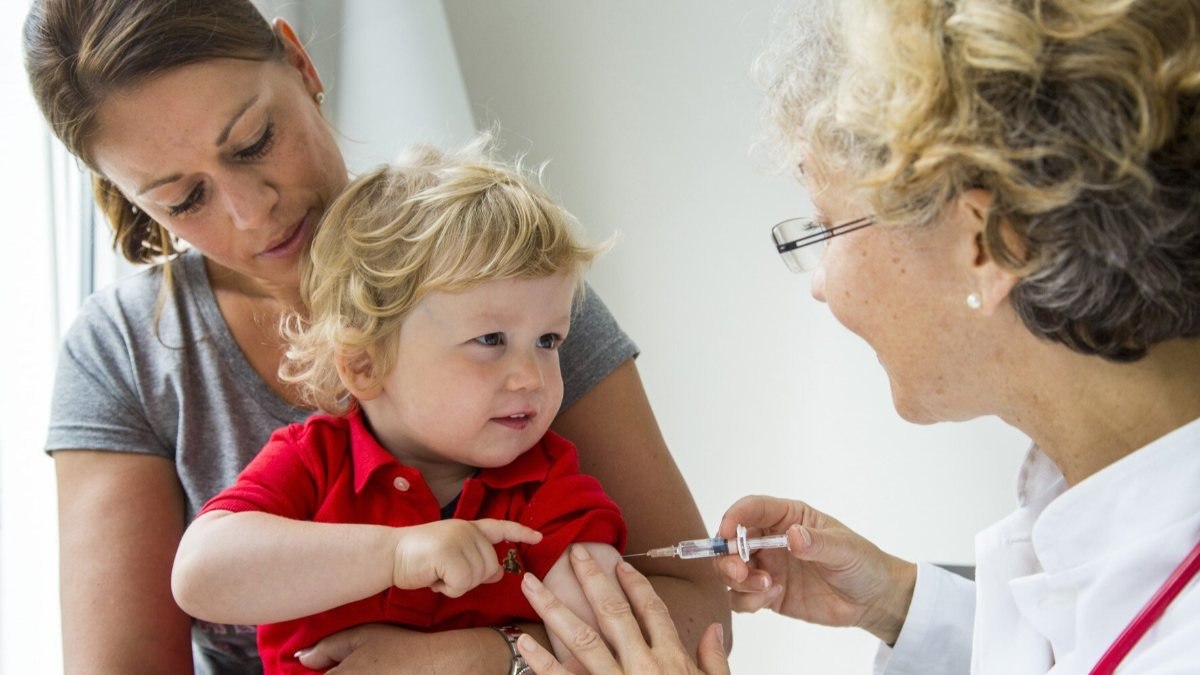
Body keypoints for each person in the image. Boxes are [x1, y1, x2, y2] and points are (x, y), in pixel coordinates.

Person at [22, 0, 729, 672]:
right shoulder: (124, 352)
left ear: (300, 64)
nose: (249, 211)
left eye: (253, 141)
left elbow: (695, 609)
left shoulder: (503, 287)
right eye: (184, 199)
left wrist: (474, 660)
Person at [515, 0, 1200, 673]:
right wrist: (902, 601)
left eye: (824, 228)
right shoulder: (1099, 504)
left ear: (988, 245)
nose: (820, 283)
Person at [171, 143, 628, 673]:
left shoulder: (547, 486)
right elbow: (200, 576)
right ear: (365, 365)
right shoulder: (312, 462)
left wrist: (591, 586)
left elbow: (605, 643)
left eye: (548, 341)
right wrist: (395, 556)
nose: (532, 376)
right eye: (490, 339)